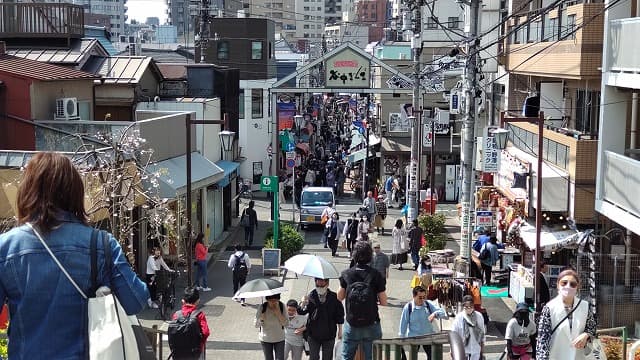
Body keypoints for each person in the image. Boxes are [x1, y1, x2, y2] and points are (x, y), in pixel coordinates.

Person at [0, 151, 149, 359]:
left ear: (27, 190)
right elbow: (136, 300)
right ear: (75, 192)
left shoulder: (6, 247)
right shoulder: (101, 244)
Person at [337, 241, 388, 360]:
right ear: (370, 256)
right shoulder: (376, 275)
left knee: (346, 356)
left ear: (354, 255)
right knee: (373, 357)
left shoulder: (346, 274)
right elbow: (384, 301)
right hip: (372, 323)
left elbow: (339, 297)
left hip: (352, 324)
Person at [536, 269, 596, 360]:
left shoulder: (585, 306)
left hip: (578, 356)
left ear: (577, 287)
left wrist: (586, 335)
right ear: (558, 285)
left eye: (573, 284)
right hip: (556, 356)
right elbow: (543, 340)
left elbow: (592, 328)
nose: (568, 286)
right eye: (564, 283)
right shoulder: (549, 308)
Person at [298, 278, 344, 360]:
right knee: (313, 357)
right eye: (317, 285)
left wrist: (340, 330)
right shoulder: (310, 296)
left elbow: (339, 315)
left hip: (329, 334)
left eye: (322, 285)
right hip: (313, 334)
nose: (320, 287)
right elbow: (302, 312)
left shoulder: (334, 297)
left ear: (327, 284)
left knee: (327, 357)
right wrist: (302, 303)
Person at [398, 286, 447, 360]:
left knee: (433, 357)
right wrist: (401, 338)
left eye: (424, 297)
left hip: (428, 336)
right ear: (414, 296)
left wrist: (434, 314)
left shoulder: (428, 304)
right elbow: (403, 323)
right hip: (414, 337)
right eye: (420, 297)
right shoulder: (408, 307)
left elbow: (443, 312)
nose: (422, 299)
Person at [170, 287, 211, 360]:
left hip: (178, 351)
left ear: (183, 301)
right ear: (198, 301)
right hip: (195, 352)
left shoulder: (176, 314)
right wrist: (200, 344)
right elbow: (206, 332)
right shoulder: (199, 315)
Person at [452, 295, 486, 360]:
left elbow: (482, 333)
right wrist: (452, 350)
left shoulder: (479, 316)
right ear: (463, 306)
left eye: (471, 306)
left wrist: (482, 350)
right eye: (466, 307)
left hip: (476, 349)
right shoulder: (459, 318)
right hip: (463, 350)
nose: (469, 308)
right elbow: (454, 334)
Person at [256, 294, 288, 360]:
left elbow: (286, 324)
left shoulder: (282, 306)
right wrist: (261, 319)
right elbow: (256, 325)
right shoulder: (262, 307)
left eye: (275, 300)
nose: (273, 302)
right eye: (271, 300)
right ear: (267, 300)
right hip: (266, 339)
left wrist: (278, 313)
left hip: (279, 338)